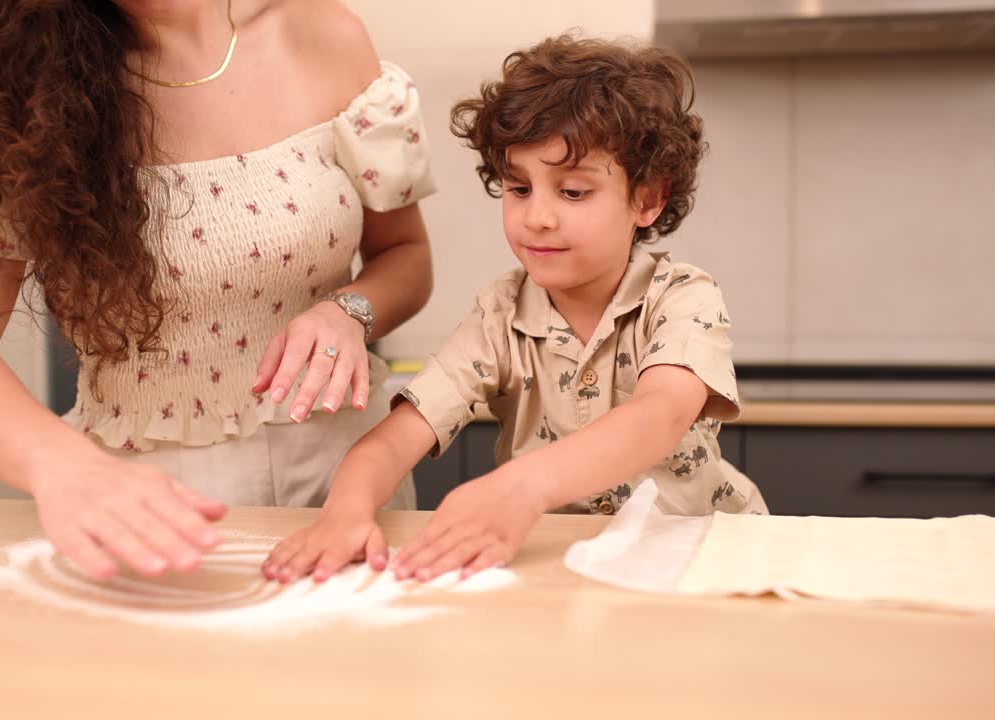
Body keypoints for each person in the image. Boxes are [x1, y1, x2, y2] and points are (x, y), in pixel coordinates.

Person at [0, 0, 435, 581]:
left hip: (347, 479)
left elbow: (405, 256)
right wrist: (61, 465)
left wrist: (348, 311)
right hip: (147, 501)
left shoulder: (326, 34)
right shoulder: (10, 90)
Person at [263, 33, 767, 584]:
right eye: (519, 188)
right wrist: (345, 513)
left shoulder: (682, 297)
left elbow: (658, 417)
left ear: (646, 199)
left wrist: (523, 485)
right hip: (562, 570)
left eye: (573, 192)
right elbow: (393, 438)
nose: (538, 218)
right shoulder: (499, 315)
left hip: (702, 561)